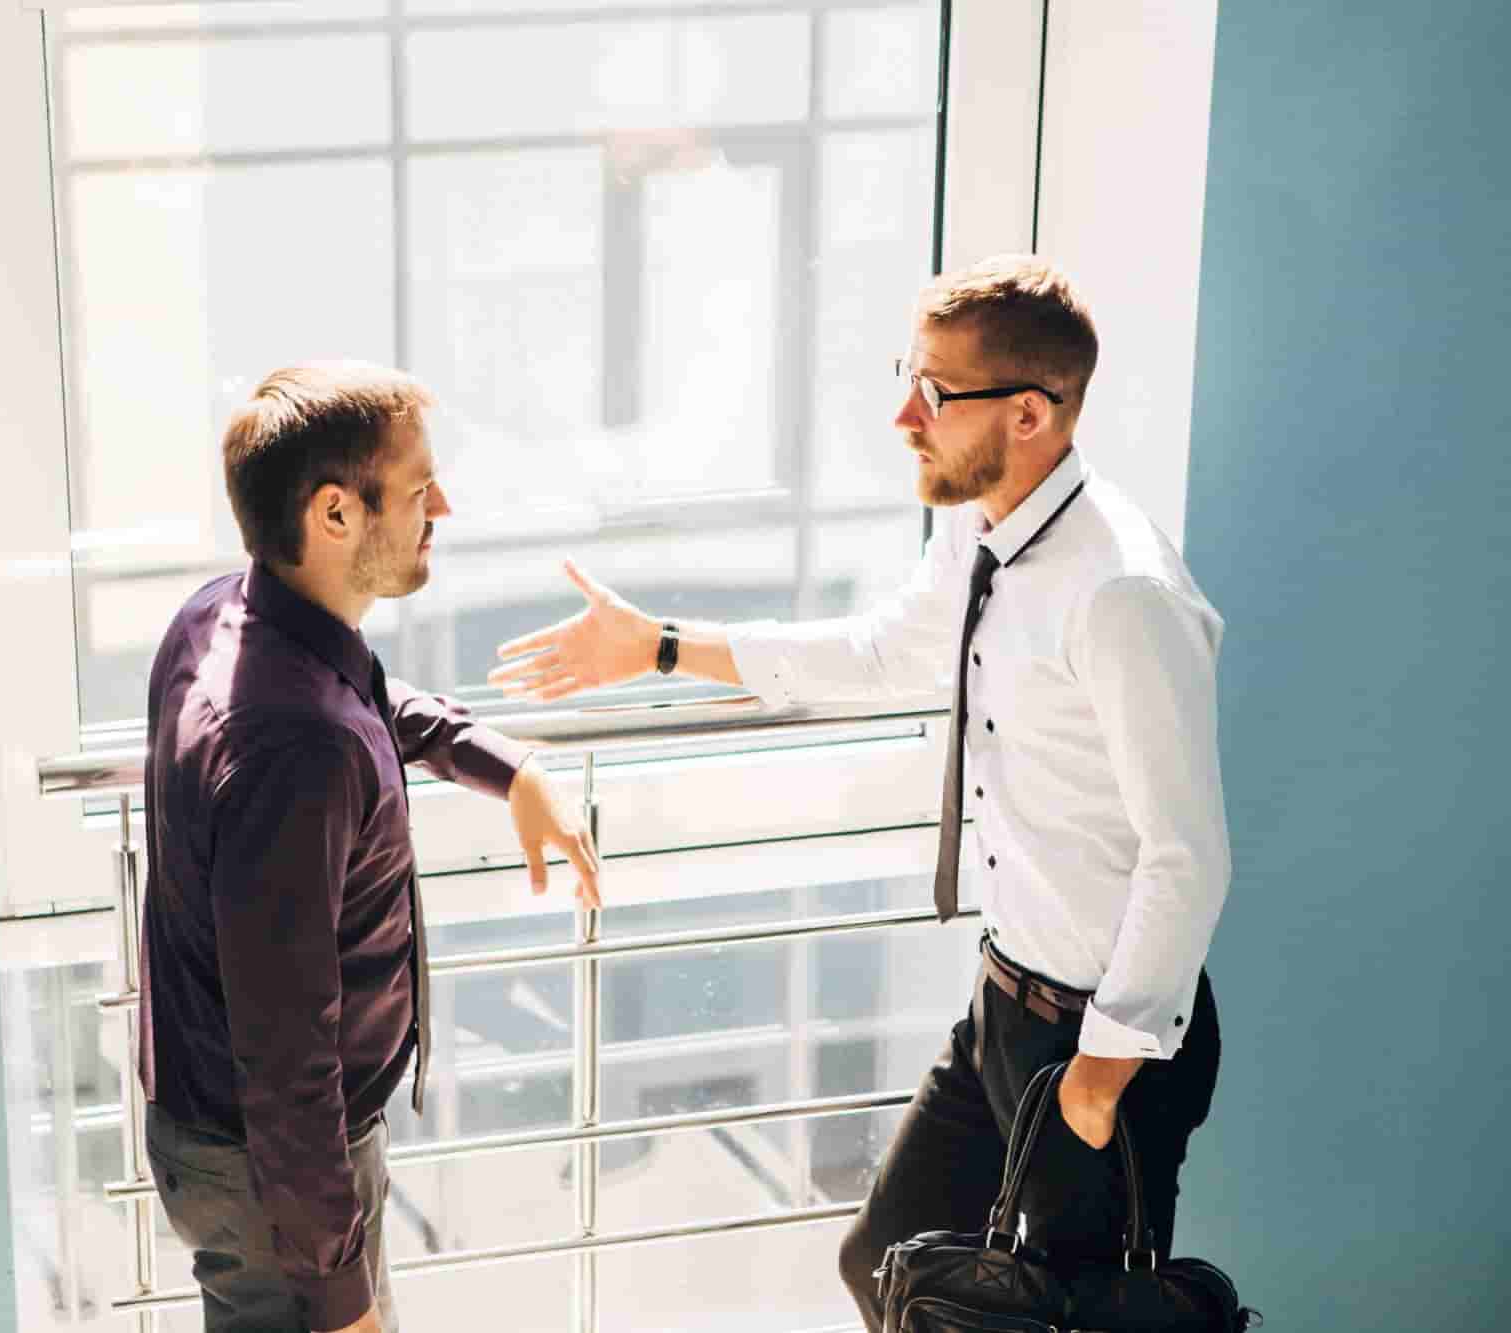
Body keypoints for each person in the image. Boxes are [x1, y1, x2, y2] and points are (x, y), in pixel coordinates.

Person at [489, 255, 1229, 1329]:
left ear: (1029, 412)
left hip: (1100, 1039)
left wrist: (1100, 1074)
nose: (902, 415)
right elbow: (885, 652)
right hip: (1004, 1006)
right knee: (882, 1259)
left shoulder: (1118, 595)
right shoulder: (978, 525)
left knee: (1063, 1321)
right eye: (907, 375)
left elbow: (1186, 856)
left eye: (933, 389)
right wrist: (655, 646)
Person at [139, 362, 602, 1333]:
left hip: (246, 1151)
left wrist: (503, 763)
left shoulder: (226, 616)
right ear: (336, 514)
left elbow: (368, 701)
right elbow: (286, 1052)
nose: (443, 504)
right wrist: (342, 1298)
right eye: (418, 484)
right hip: (278, 1177)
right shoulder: (296, 746)